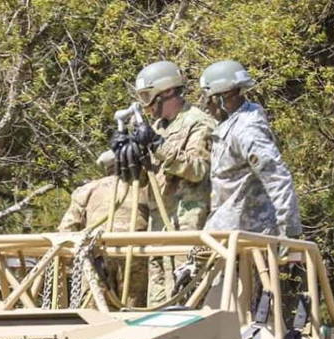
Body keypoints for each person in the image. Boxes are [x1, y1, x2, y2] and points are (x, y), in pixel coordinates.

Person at [128, 60, 216, 303]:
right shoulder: (158, 127)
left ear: (166, 92)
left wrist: (158, 145)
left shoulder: (199, 122)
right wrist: (129, 156)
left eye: (148, 96)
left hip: (186, 226)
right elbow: (148, 180)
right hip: (159, 227)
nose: (146, 105)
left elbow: (198, 169)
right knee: (157, 301)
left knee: (187, 299)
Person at [198, 60, 301, 238]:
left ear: (221, 97)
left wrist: (289, 231)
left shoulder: (247, 130)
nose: (207, 105)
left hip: (249, 235)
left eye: (208, 98)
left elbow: (276, 177)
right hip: (226, 231)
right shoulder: (229, 125)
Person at [58, 150, 149, 306]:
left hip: (96, 255)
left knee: (95, 311)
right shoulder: (145, 189)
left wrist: (72, 264)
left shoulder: (87, 190)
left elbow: (66, 229)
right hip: (134, 255)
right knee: (134, 313)